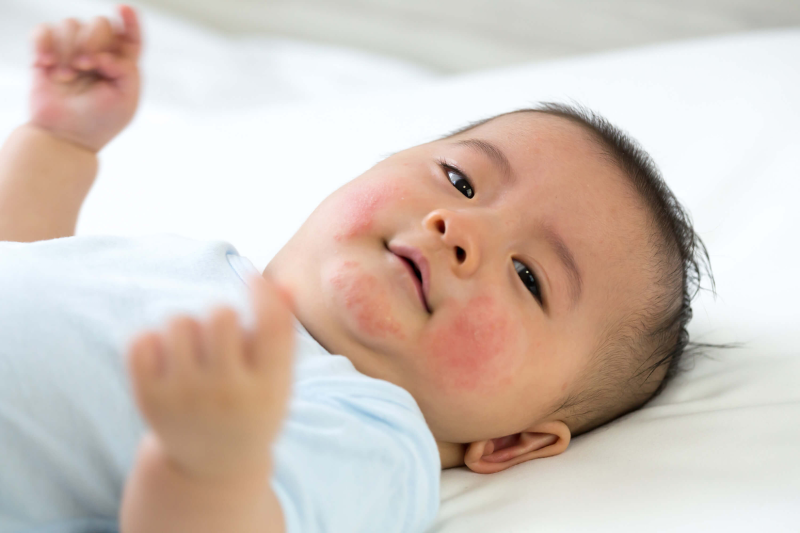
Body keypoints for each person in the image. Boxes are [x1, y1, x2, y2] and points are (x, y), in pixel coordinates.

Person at [0, 5, 711, 533]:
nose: (458, 229)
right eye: (461, 182)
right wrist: (58, 147)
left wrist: (208, 466)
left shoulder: (374, 433)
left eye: (529, 277)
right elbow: (27, 268)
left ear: (513, 440)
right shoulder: (202, 267)